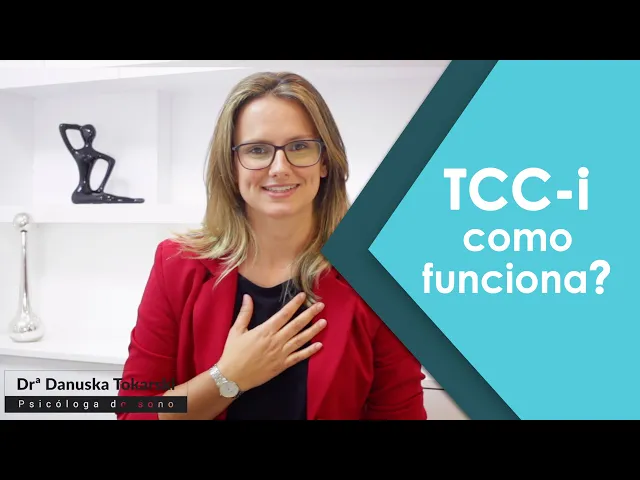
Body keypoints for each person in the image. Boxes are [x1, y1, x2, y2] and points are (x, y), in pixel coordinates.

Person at [116, 71, 427, 420]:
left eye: (299, 147)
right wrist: (227, 378)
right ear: (231, 166)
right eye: (257, 150)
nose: (279, 168)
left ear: (325, 161)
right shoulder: (175, 264)